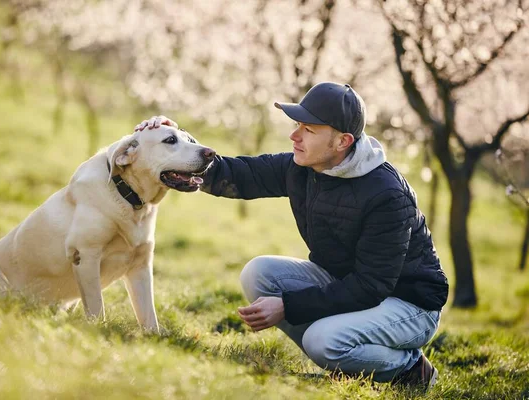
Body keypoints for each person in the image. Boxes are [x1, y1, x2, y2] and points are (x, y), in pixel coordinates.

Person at [136, 82, 449, 390]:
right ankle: (349, 363)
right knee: (258, 274)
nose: (294, 135)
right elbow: (233, 174)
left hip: (408, 303)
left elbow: (371, 286)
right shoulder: (303, 166)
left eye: (309, 130)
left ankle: (410, 368)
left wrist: (287, 305)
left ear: (343, 141)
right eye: (297, 124)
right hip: (349, 283)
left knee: (322, 342)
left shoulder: (386, 195)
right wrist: (174, 138)